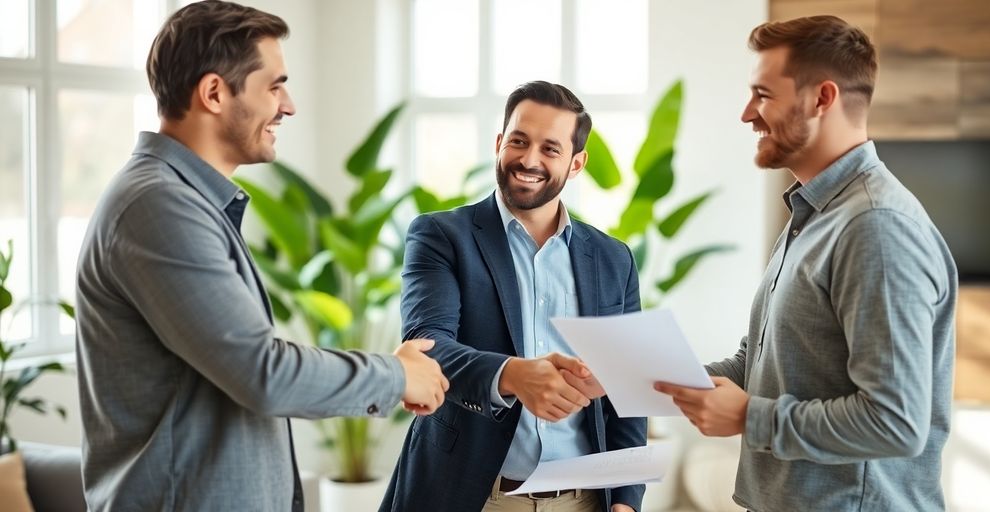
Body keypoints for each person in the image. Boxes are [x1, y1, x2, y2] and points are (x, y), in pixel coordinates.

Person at [75, 2, 448, 510]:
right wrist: (395, 373)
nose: (288, 105)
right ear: (213, 93)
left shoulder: (185, 201)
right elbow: (262, 373)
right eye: (274, 85)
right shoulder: (157, 206)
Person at [653, 15, 957, 512]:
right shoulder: (812, 216)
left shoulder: (876, 227)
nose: (747, 114)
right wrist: (637, 377)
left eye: (763, 95)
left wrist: (750, 417)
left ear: (822, 98)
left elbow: (895, 422)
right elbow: (764, 364)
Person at [379, 81, 646, 512]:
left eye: (550, 149)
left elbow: (627, 390)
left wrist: (627, 500)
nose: (529, 159)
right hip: (473, 496)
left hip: (585, 502)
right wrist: (513, 374)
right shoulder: (442, 236)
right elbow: (426, 346)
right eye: (519, 141)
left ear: (577, 164)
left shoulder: (614, 259)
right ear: (500, 143)